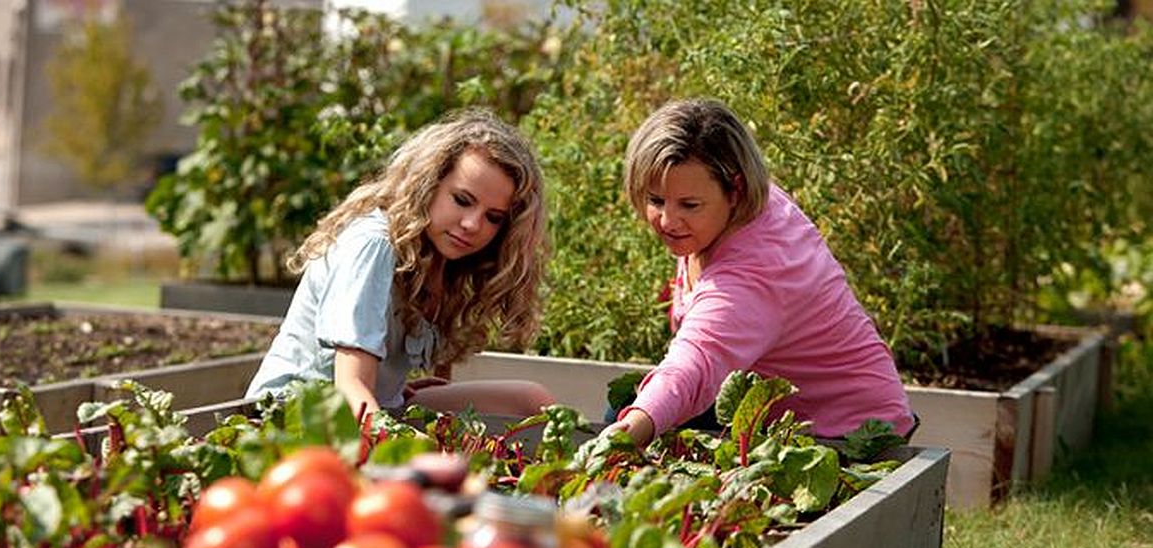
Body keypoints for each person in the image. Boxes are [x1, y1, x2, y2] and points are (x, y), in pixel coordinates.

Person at [601, 99, 915, 447]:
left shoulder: (755, 270)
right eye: (656, 200)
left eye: (689, 205)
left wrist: (625, 437)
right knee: (630, 406)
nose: (668, 221)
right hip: (779, 414)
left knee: (633, 415)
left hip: (848, 437)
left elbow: (698, 364)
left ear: (735, 190)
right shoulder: (726, 215)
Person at [246, 108, 555, 419]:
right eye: (462, 200)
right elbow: (349, 385)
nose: (473, 224)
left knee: (530, 399)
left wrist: (395, 387)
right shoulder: (375, 244)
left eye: (494, 217)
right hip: (301, 415)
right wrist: (410, 459)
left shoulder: (446, 262)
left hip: (373, 407)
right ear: (428, 184)